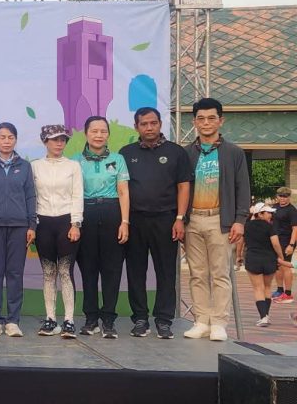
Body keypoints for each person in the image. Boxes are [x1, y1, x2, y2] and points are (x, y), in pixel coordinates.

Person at [183, 97, 251, 342]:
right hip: (193, 220)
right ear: (194, 122)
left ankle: (219, 322)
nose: (206, 123)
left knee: (220, 273)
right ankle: (201, 321)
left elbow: (243, 188)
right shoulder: (186, 153)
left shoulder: (234, 153)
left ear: (221, 121)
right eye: (201, 118)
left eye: (211, 118)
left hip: (220, 220)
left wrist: (239, 220)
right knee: (197, 273)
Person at [120, 107, 192, 340]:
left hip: (166, 220)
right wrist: (124, 221)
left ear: (160, 124)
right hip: (135, 220)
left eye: (153, 123)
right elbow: (121, 189)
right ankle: (140, 318)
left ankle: (164, 320)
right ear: (136, 127)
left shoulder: (176, 152)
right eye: (144, 124)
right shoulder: (126, 153)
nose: (149, 128)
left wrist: (180, 218)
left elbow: (184, 186)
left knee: (166, 272)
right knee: (135, 272)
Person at [71, 116, 130, 339]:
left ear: (108, 134)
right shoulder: (75, 161)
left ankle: (108, 320)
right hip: (85, 213)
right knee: (88, 269)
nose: (98, 135)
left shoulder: (118, 159)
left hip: (112, 213)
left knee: (112, 269)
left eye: (103, 131)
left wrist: (125, 222)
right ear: (86, 133)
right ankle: (91, 319)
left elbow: (123, 191)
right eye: (94, 131)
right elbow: (72, 193)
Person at [0, 122, 36, 337]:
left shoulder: (25, 166)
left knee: (15, 274)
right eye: (2, 137)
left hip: (19, 227)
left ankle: (13, 320)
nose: (6, 141)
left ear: (16, 140)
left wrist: (32, 225)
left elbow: (30, 195)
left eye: (10, 137)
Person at [31, 124, 84, 338]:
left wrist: (75, 224)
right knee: (48, 272)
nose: (59, 143)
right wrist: (32, 225)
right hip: (42, 222)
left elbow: (77, 195)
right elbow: (31, 196)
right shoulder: (34, 166)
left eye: (63, 139)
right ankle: (50, 319)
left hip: (66, 222)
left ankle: (69, 320)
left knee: (65, 271)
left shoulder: (73, 166)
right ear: (45, 141)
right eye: (54, 139)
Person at [241, 202, 290, 327]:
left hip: (253, 258)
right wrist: (280, 256)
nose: (270, 215)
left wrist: (238, 256)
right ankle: (266, 315)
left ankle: (263, 317)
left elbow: (241, 242)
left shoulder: (246, 226)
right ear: (260, 214)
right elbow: (275, 243)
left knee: (258, 288)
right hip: (269, 259)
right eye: (268, 213)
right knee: (267, 287)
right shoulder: (270, 227)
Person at [271, 187, 297, 303]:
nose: (283, 198)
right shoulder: (274, 207)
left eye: (285, 196)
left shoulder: (292, 210)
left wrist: (291, 245)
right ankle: (280, 290)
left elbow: (295, 229)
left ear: (289, 197)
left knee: (285, 266)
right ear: (277, 196)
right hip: (276, 240)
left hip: (287, 241)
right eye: (280, 196)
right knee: (277, 265)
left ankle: (288, 294)